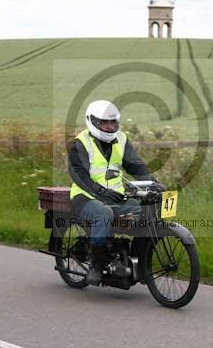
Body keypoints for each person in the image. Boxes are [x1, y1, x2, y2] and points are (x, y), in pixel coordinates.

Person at [68, 100, 159, 286]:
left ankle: (138, 259)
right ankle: (95, 265)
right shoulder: (81, 143)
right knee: (103, 214)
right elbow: (80, 175)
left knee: (146, 211)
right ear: (92, 121)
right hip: (86, 197)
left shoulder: (122, 139)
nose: (109, 127)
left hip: (116, 196)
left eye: (112, 122)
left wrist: (153, 182)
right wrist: (101, 191)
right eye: (104, 123)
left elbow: (135, 165)